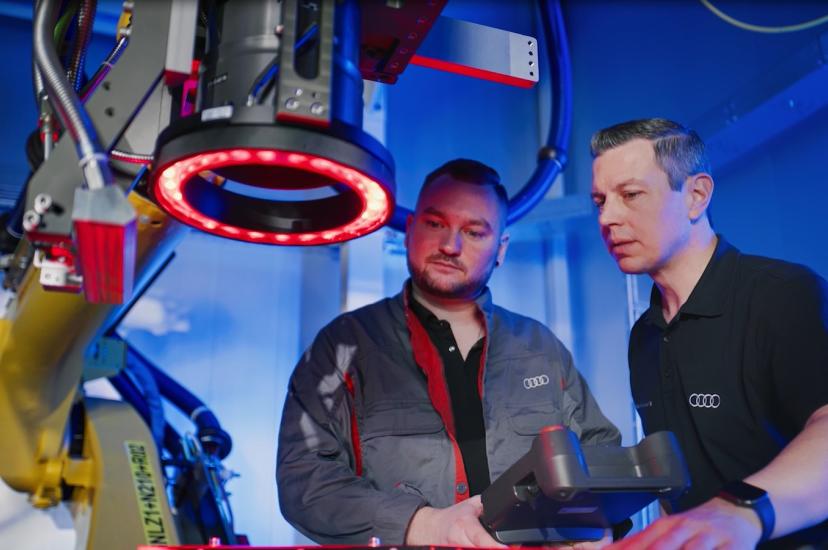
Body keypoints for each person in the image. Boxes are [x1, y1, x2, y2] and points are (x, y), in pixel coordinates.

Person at [277, 159, 621, 546]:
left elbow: (600, 453)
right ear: (409, 230)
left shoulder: (540, 348)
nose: (450, 246)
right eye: (435, 224)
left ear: (500, 249)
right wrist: (425, 525)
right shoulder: (342, 346)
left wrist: (597, 522)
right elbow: (303, 479)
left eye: (474, 232)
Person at [589, 118, 828, 549]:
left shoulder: (783, 294)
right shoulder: (644, 336)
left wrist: (738, 510)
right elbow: (676, 485)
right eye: (600, 200)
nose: (607, 217)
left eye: (630, 195)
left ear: (696, 195)